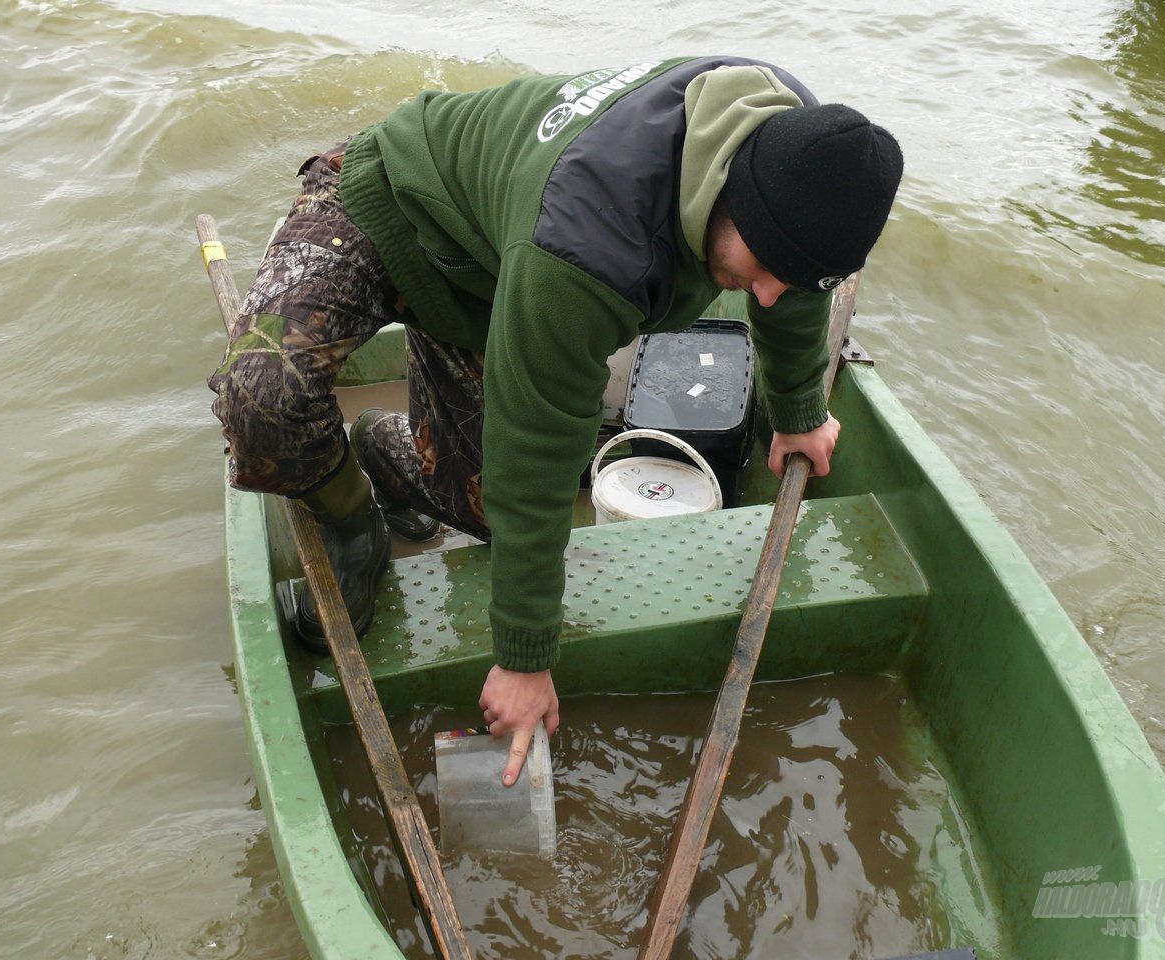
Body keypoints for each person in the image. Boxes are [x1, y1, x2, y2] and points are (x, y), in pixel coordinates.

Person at [208, 55, 902, 788]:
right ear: (731, 196)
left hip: (494, 286)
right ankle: (353, 521)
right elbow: (534, 452)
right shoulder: (591, 238)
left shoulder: (794, 150)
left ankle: (380, 447)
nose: (763, 295)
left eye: (787, 278)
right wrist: (524, 658)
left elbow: (792, 289)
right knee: (262, 403)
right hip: (384, 205)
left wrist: (797, 411)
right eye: (759, 267)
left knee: (487, 519)